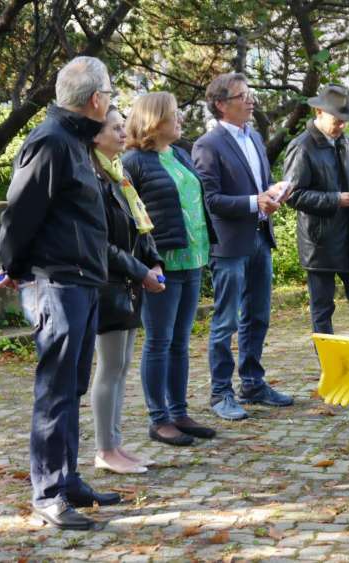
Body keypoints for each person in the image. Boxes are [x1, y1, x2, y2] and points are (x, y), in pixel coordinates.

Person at [0, 56, 121, 530]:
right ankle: (48, 492)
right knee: (55, 391)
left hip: (83, 281)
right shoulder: (50, 141)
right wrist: (14, 267)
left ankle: (68, 480)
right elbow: (20, 213)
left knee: (73, 386)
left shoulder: (74, 140)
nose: (110, 102)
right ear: (95, 100)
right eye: (108, 94)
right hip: (60, 281)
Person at [192, 72, 293, 421]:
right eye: (242, 95)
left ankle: (252, 382)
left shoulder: (255, 137)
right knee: (225, 323)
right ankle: (221, 392)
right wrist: (255, 202)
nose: (251, 100)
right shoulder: (208, 144)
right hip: (230, 245)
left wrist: (274, 194)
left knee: (257, 316)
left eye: (250, 94)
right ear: (221, 104)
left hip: (260, 240)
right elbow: (212, 200)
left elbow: (259, 188)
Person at [122, 92, 217, 445]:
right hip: (162, 264)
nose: (180, 121)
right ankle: (158, 418)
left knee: (180, 341)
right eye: (174, 115)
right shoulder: (134, 162)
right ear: (154, 121)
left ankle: (179, 412)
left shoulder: (178, 154)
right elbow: (130, 219)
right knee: (159, 341)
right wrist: (146, 263)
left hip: (193, 258)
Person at [89, 106, 165, 473]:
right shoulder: (94, 178)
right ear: (95, 136)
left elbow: (139, 226)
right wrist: (140, 270)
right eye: (115, 128)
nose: (124, 133)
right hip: (108, 282)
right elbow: (102, 242)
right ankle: (105, 449)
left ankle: (115, 444)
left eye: (123, 127)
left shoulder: (118, 173)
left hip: (128, 280)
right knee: (110, 366)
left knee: (120, 367)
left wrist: (154, 263)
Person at [284, 84, 349, 337]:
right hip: (320, 241)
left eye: (346, 120)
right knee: (323, 308)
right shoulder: (302, 147)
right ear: (318, 113)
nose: (343, 126)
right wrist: (335, 199)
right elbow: (292, 195)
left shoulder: (346, 143)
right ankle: (330, 367)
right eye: (338, 120)